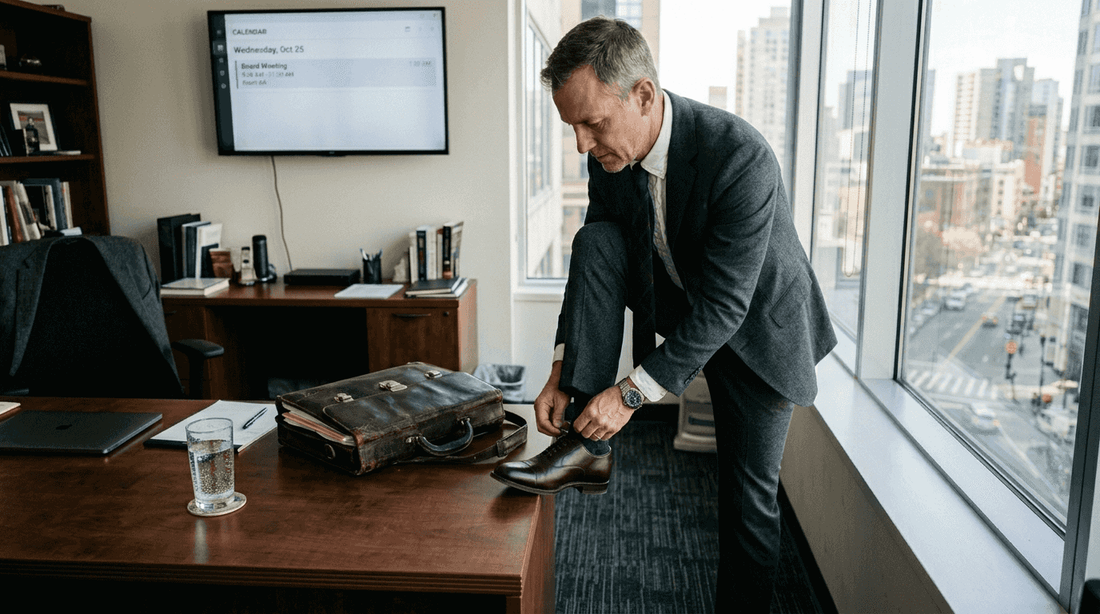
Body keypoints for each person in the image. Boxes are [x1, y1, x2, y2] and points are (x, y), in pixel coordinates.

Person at [490, 16, 837, 612]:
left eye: (592, 124)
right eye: (572, 127)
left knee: (746, 500)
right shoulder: (611, 156)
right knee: (595, 239)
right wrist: (562, 372)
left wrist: (628, 395)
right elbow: (598, 250)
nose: (581, 144)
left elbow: (728, 305)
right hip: (686, 303)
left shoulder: (739, 154)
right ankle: (587, 447)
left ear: (643, 96)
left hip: (759, 331)